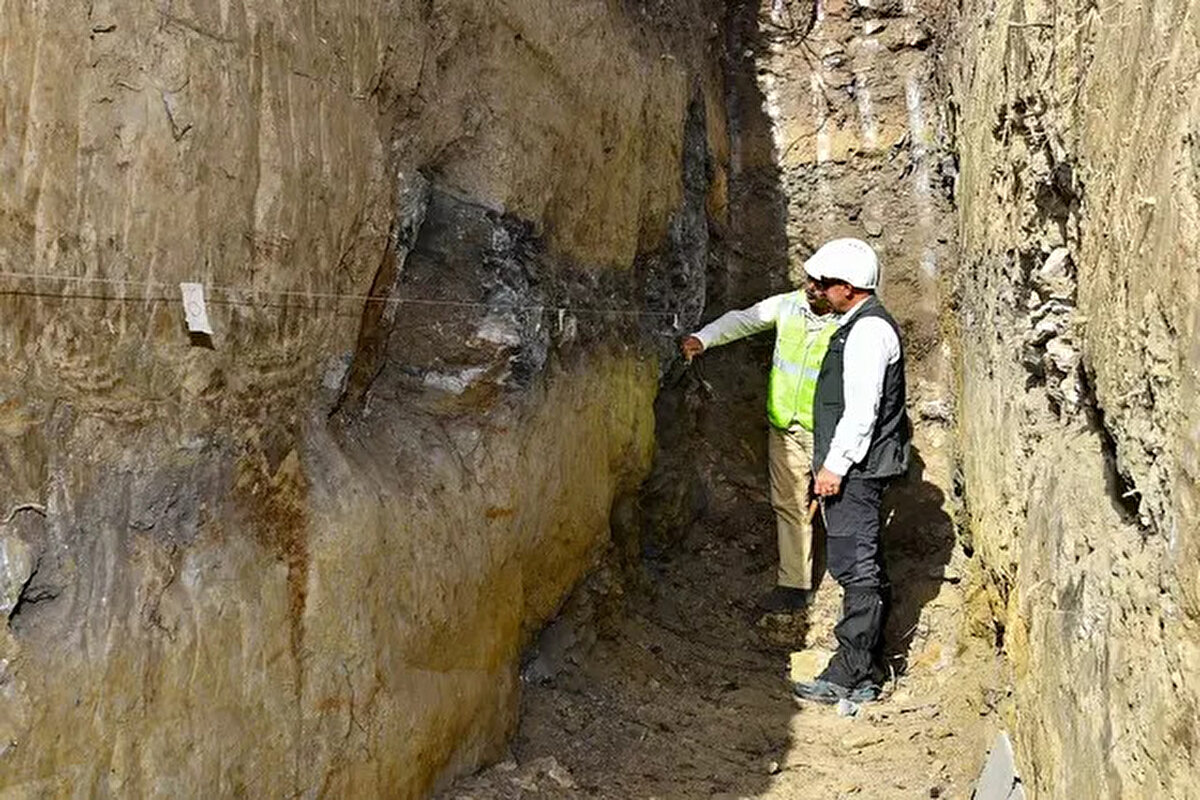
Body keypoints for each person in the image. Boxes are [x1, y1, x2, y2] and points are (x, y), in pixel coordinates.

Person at [680, 260, 839, 613]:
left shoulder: (850, 323)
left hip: (827, 433)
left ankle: (850, 588)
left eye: (819, 283)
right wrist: (703, 339)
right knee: (789, 506)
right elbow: (743, 319)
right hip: (784, 426)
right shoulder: (788, 305)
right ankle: (795, 585)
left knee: (840, 510)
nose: (810, 288)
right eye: (809, 281)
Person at [791, 238, 911, 704]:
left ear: (848, 287)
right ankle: (863, 670)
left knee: (855, 566)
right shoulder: (857, 324)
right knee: (857, 563)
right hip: (856, 467)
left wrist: (833, 468)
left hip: (856, 471)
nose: (815, 290)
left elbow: (862, 411)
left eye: (822, 284)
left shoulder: (867, 332)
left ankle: (850, 673)